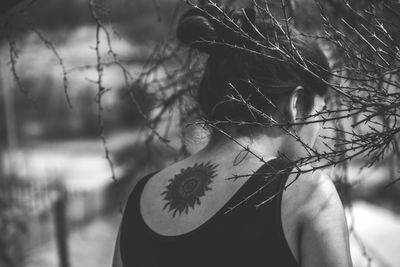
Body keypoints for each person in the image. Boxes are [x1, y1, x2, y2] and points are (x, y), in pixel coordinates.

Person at [113, 4, 352, 267]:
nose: (319, 130)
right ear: (296, 104)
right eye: (321, 111)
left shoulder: (140, 199)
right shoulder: (308, 195)